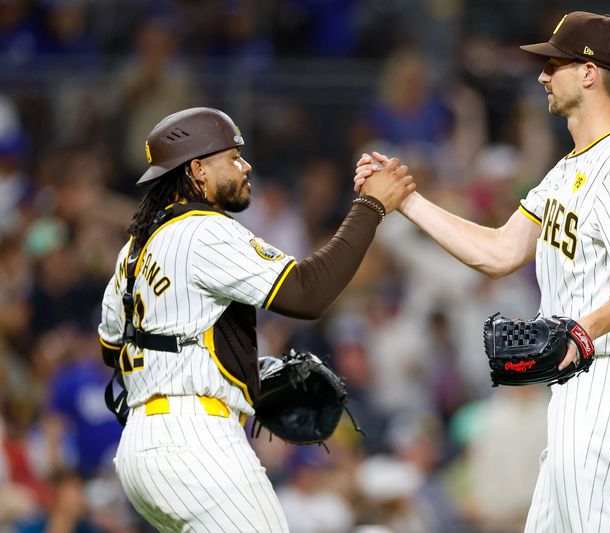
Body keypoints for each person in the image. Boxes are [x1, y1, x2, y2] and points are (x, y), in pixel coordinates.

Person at [355, 11, 610, 532]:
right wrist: (405, 202)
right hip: (580, 381)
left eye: (555, 64)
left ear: (589, 73)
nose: (544, 75)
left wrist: (582, 329)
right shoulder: (567, 170)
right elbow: (500, 252)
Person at [97, 107, 414, 532]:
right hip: (195, 440)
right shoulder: (203, 230)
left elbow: (111, 349)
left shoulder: (134, 250)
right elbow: (307, 293)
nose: (245, 166)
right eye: (231, 157)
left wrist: (230, 370)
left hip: (142, 447)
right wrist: (370, 206)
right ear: (197, 170)